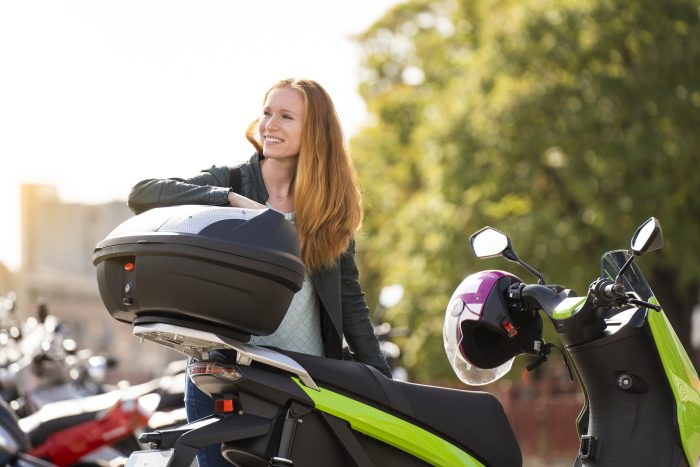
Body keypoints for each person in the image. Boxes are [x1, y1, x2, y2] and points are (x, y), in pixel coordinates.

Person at [127, 78, 391, 466]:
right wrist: (226, 200)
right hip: (225, 376)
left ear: (314, 131)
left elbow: (351, 303)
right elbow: (142, 194)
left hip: (304, 383)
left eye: (286, 116)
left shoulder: (331, 209)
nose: (270, 125)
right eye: (267, 112)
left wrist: (388, 388)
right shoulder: (233, 181)